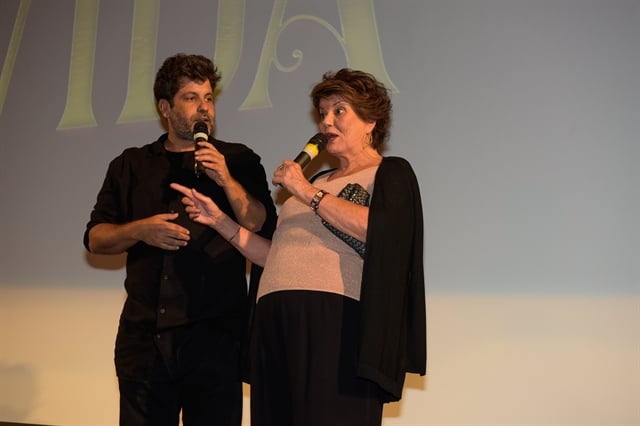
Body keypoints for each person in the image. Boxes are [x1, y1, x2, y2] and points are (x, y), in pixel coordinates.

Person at [171, 68, 426, 426]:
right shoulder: (319, 179)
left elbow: (384, 232)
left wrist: (305, 191)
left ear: (371, 120)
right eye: (322, 113)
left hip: (333, 322)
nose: (326, 122)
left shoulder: (388, 173)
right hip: (275, 320)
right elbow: (274, 255)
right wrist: (219, 221)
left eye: (339, 111)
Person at [83, 53, 277, 426]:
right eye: (191, 98)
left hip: (215, 342)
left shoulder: (239, 160)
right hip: (144, 344)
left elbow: (260, 225)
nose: (204, 108)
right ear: (165, 108)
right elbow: (96, 238)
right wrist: (140, 230)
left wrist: (226, 180)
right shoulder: (130, 165)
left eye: (208, 98)